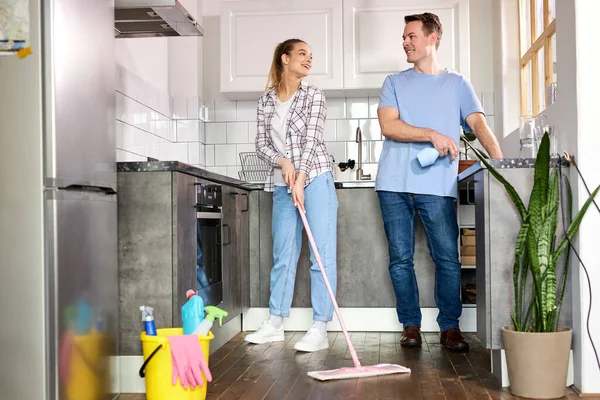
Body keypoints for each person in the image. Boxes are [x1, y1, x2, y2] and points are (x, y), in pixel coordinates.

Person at [376, 13, 503, 352]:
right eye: (404, 37)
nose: (405, 41)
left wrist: (501, 162)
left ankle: (450, 328)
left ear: (432, 38)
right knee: (400, 259)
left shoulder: (458, 83)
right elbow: (389, 127)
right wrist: (432, 134)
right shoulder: (394, 82)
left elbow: (478, 125)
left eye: (412, 36)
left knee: (447, 258)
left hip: (436, 186)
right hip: (393, 184)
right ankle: (411, 326)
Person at [245, 39, 338, 353]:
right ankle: (274, 323)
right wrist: (282, 162)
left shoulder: (314, 95)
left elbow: (312, 141)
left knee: (319, 255)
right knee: (283, 253)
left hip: (315, 178)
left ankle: (321, 327)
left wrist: (300, 176)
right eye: (302, 54)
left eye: (311, 55)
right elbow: (261, 144)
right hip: (283, 183)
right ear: (284, 59)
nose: (308, 59)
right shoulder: (266, 101)